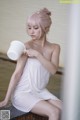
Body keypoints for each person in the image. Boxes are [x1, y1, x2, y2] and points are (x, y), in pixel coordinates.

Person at [0, 8, 62, 120]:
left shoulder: (55, 48)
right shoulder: (25, 47)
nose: (31, 32)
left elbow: (53, 70)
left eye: (35, 28)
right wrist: (6, 99)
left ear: (46, 28)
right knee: (54, 112)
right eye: (29, 28)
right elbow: (17, 74)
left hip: (40, 91)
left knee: (66, 109)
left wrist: (38, 55)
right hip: (23, 93)